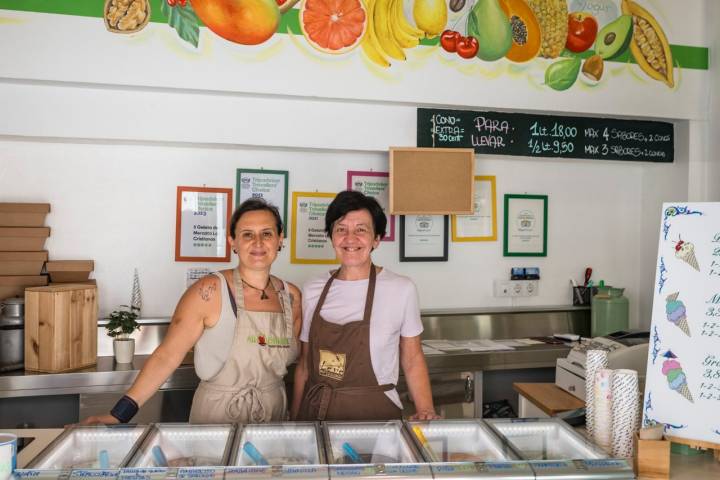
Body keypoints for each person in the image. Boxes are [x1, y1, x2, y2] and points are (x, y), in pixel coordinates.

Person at [82, 198, 301, 425]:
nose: (257, 242)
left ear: (279, 239)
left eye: (266, 233)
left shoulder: (291, 297)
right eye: (247, 234)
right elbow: (167, 356)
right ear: (232, 242)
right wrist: (119, 414)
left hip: (273, 417)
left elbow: (298, 362)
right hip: (217, 417)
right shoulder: (209, 291)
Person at [291, 190, 438, 421]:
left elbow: (412, 359)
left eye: (361, 229)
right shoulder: (313, 289)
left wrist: (426, 410)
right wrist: (294, 421)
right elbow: (304, 367)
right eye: (341, 229)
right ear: (331, 237)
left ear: (376, 239)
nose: (350, 238)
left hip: (376, 415)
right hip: (318, 415)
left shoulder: (401, 289)